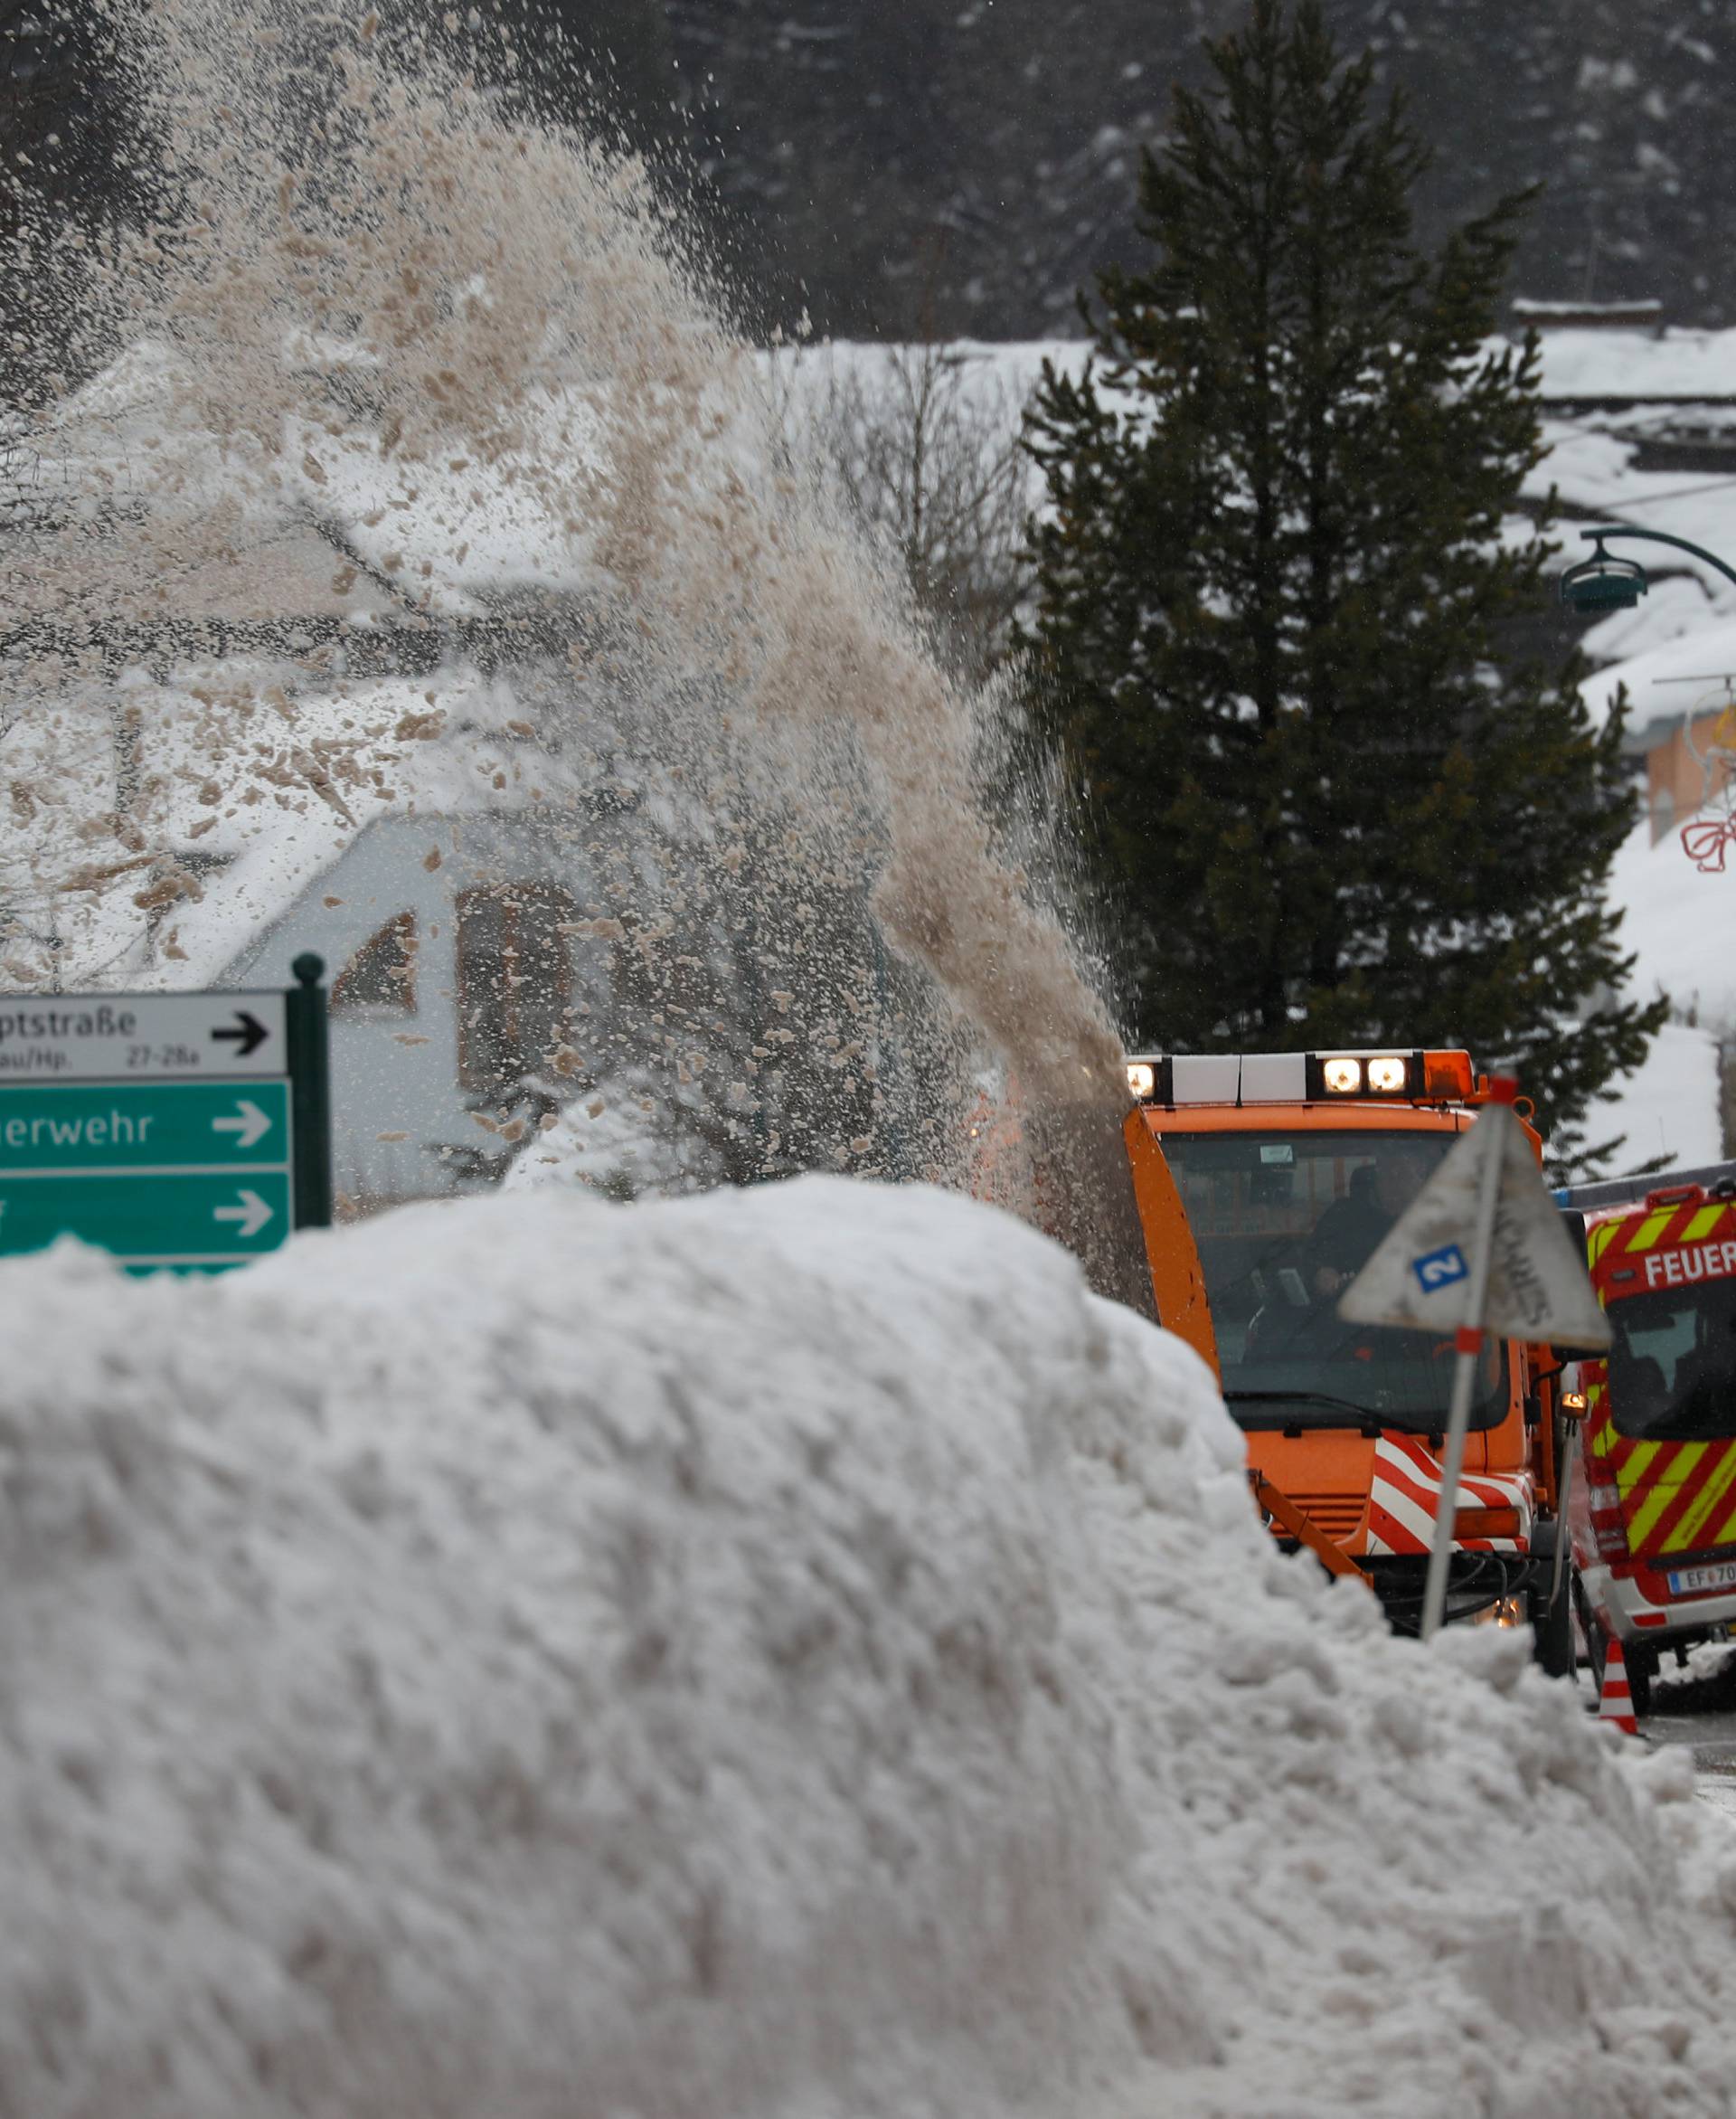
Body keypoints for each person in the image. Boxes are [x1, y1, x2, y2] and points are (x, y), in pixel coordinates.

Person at [1307, 1142, 1436, 1301]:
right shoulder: (1343, 1215)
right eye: (1387, 1175)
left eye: (1403, 1175)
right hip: (1343, 1317)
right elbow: (1311, 1259)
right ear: (1376, 1178)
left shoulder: (1439, 1221)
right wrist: (1322, 1274)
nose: (1394, 1185)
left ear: (1421, 1178)